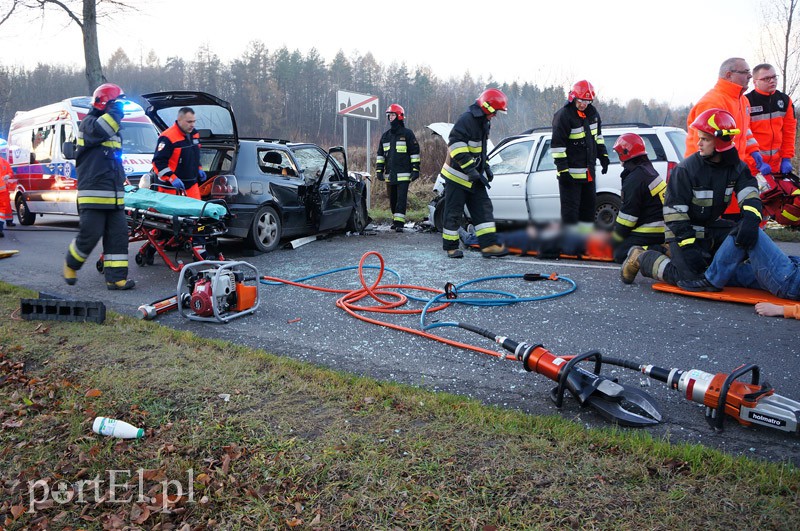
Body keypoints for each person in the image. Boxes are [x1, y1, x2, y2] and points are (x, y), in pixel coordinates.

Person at [620, 109, 762, 286]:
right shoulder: (686, 169)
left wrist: (750, 219)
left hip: (709, 227)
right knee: (688, 279)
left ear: (720, 142)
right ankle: (641, 257)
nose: (699, 143)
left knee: (747, 236)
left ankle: (674, 252)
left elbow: (750, 194)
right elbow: (674, 215)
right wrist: (687, 246)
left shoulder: (737, 168)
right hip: (682, 231)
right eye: (699, 138)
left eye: (705, 139)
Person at [63, 83, 134, 290]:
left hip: (114, 196)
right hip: (93, 195)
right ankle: (71, 264)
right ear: (106, 104)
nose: (120, 108)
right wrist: (114, 113)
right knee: (90, 235)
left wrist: (123, 178)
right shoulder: (89, 124)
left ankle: (116, 278)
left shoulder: (113, 130)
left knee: (119, 237)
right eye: (116, 103)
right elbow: (103, 129)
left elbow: (114, 159)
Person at [684, 58, 763, 217]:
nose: (750, 76)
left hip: (732, 175)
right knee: (717, 232)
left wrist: (754, 151)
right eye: (745, 72)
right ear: (729, 74)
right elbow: (701, 146)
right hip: (712, 181)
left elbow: (744, 132)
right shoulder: (712, 102)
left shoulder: (743, 100)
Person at [440, 88, 509, 259]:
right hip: (457, 176)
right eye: (495, 111)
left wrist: (485, 167)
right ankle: (451, 247)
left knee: (483, 209)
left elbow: (480, 149)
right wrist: (470, 168)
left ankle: (488, 245)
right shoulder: (467, 120)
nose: (495, 115)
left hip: (474, 177)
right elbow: (455, 145)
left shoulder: (483, 121)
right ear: (487, 107)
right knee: (454, 213)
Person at [551, 80, 610, 235]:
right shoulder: (563, 115)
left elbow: (598, 137)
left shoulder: (593, 114)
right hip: (569, 176)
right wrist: (563, 171)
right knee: (570, 213)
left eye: (587, 101)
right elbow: (557, 146)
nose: (584, 104)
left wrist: (603, 155)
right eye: (581, 100)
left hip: (589, 174)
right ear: (573, 97)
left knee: (588, 211)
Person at [609, 133, 667, 263]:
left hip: (652, 229)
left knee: (619, 253)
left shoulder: (635, 178)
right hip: (661, 226)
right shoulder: (646, 169)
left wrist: (616, 238)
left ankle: (658, 249)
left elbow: (628, 218)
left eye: (619, 153)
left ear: (625, 153)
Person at [745, 63, 797, 184]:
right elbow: (743, 137)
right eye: (766, 79)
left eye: (774, 77)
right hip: (753, 167)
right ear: (755, 81)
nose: (772, 81)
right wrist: (756, 163)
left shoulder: (784, 100)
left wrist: (786, 158)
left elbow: (789, 132)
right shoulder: (747, 102)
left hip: (778, 166)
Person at [375, 103, 420, 232]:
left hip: (404, 174)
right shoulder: (385, 136)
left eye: (392, 115)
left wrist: (415, 169)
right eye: (389, 115)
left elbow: (415, 153)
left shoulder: (407, 134)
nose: (390, 117)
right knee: (393, 198)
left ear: (399, 116)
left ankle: (399, 223)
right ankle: (395, 220)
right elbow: (380, 155)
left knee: (401, 198)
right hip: (390, 174)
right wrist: (379, 170)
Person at [152, 107, 207, 200]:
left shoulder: (194, 135)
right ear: (179, 120)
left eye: (194, 121)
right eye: (189, 122)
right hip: (171, 188)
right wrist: (171, 178)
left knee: (196, 213)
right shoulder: (168, 137)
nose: (192, 125)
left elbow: (194, 156)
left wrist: (199, 168)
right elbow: (158, 163)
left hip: (192, 186)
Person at [0, 142, 13, 237]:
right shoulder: (3, 162)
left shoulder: (4, 162)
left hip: (3, 190)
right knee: (2, 210)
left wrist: (8, 175)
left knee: (3, 209)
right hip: (2, 190)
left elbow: (10, 172)